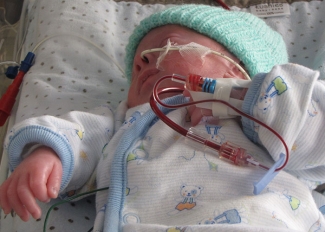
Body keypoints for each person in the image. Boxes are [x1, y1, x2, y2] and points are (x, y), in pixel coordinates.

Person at [1, 4, 325, 231]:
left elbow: (314, 131)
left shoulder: (266, 110)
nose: (142, 64)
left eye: (165, 48)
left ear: (232, 67)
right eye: (138, 66)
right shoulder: (127, 121)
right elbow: (81, 134)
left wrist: (248, 97)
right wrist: (48, 155)